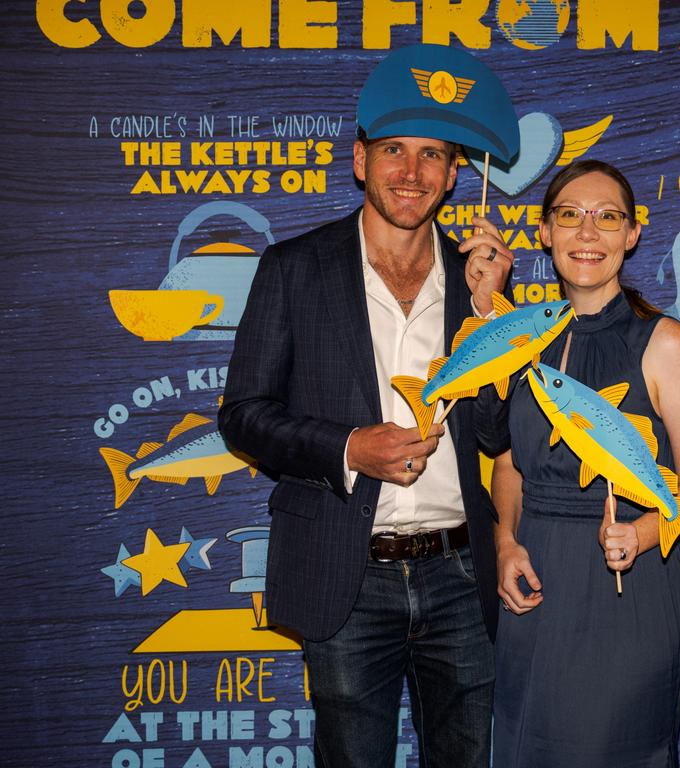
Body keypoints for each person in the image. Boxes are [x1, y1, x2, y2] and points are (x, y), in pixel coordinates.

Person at [218, 47, 516, 768]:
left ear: (453, 175)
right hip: (345, 577)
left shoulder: (479, 284)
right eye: (393, 151)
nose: (411, 173)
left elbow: (500, 433)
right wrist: (348, 448)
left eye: (433, 155)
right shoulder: (292, 269)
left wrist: (491, 315)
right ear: (359, 161)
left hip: (460, 575)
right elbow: (243, 415)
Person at [491, 159, 680, 767]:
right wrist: (505, 543)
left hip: (626, 585)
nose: (587, 233)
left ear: (632, 234)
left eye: (607, 218)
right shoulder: (525, 342)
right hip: (534, 585)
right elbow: (511, 461)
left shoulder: (665, 342)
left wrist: (643, 534)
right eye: (571, 216)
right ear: (545, 232)